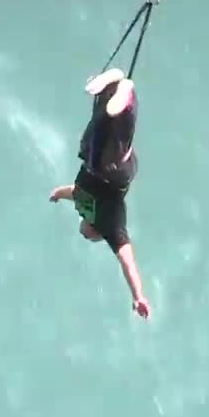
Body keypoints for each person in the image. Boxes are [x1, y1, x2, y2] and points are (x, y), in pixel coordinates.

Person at [48, 67, 151, 319]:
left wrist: (57, 194)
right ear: (95, 231)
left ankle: (111, 88)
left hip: (94, 162)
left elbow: (70, 191)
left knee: (99, 130)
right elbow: (128, 263)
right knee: (117, 142)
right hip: (112, 170)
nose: (84, 235)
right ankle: (124, 95)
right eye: (88, 237)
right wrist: (137, 295)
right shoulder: (110, 226)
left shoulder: (85, 204)